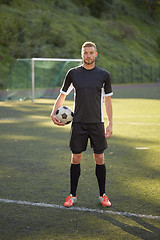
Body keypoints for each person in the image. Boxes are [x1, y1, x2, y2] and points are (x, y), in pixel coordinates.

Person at [51, 41, 113, 207]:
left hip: (97, 123)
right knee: (76, 157)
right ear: (81, 54)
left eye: (91, 52)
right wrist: (53, 112)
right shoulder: (73, 73)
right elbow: (63, 95)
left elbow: (107, 101)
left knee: (99, 158)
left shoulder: (104, 75)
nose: (88, 55)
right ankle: (72, 195)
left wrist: (110, 123)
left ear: (96, 54)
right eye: (85, 53)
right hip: (78, 123)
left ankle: (103, 195)